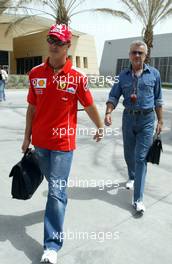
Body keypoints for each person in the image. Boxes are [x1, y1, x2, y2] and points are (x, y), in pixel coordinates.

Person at [21, 23, 103, 264]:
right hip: (40, 144)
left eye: (59, 42)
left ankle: (51, 246)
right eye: (50, 40)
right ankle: (58, 202)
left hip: (63, 144)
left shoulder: (77, 77)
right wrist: (27, 137)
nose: (53, 46)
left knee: (56, 192)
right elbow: (32, 108)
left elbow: (89, 105)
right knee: (57, 189)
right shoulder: (36, 74)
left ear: (68, 45)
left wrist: (100, 126)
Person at [105, 40, 163, 214]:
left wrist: (160, 120)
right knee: (128, 153)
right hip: (128, 119)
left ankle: (138, 199)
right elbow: (113, 96)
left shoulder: (154, 74)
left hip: (147, 120)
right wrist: (108, 112)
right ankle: (131, 176)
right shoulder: (122, 76)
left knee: (140, 158)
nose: (137, 55)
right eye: (134, 52)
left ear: (146, 55)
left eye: (140, 53)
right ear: (129, 55)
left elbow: (158, 99)